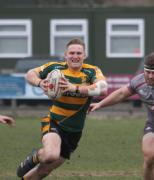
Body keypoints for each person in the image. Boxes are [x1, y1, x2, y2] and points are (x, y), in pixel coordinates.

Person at [16, 38, 107, 179]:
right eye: (71, 53)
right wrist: (40, 83)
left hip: (74, 132)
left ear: (84, 55)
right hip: (54, 122)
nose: (75, 56)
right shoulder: (55, 68)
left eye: (79, 53)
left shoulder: (91, 72)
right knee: (50, 155)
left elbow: (103, 88)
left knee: (44, 171)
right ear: (65, 55)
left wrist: (74, 88)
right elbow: (30, 74)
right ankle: (38, 155)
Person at [89, 52, 154, 180]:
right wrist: (100, 104)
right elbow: (121, 94)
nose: (150, 76)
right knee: (150, 157)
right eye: (147, 72)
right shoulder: (139, 80)